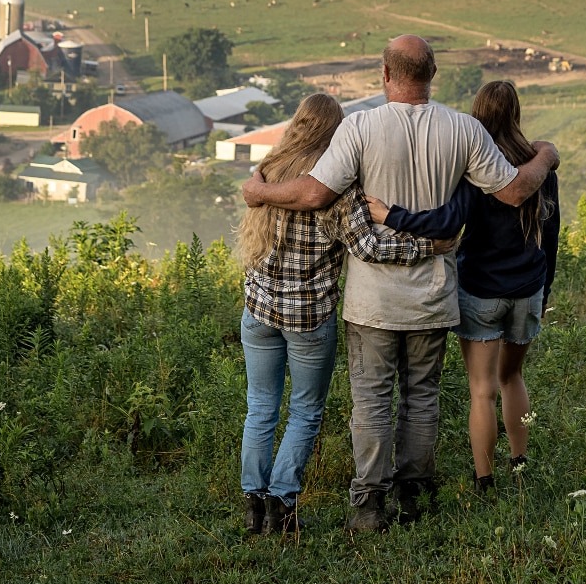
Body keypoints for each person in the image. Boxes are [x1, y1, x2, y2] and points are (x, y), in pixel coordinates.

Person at [244, 36, 558, 532]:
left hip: (371, 302)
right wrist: (547, 154)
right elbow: (516, 189)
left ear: (385, 75)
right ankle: (415, 495)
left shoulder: (360, 128)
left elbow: (312, 193)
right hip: (433, 298)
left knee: (371, 402)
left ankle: (369, 506)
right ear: (432, 74)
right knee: (422, 397)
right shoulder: (465, 129)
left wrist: (259, 191)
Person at [236, 92, 448, 536]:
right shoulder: (335, 189)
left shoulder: (268, 173)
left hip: (257, 310)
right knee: (305, 411)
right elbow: (369, 246)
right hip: (309, 316)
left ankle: (254, 507)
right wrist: (428, 245)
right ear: (336, 134)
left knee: (260, 407)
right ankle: (282, 502)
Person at [370, 79, 559, 491]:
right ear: (516, 113)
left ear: (478, 114)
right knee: (513, 378)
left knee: (481, 391)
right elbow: (553, 238)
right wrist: (544, 292)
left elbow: (445, 223)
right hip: (528, 289)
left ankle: (484, 480)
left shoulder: (473, 168)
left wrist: (391, 215)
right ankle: (520, 464)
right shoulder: (539, 167)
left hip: (480, 291)